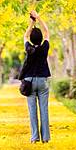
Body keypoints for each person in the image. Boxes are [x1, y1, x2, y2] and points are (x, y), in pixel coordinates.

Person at [21, 10, 51, 143]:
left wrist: (31, 23)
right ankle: (45, 138)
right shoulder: (44, 48)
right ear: (40, 39)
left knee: (32, 111)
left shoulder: (28, 48)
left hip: (29, 81)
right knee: (44, 110)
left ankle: (34, 137)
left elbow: (25, 36)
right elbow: (47, 33)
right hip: (43, 81)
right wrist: (38, 18)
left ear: (32, 39)